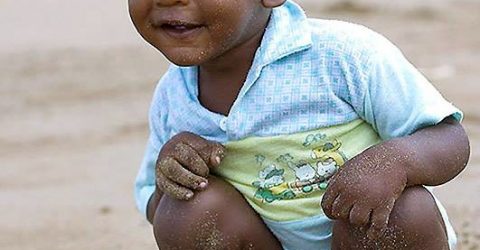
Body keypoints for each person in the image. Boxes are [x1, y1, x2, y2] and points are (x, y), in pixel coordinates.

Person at [129, 0, 470, 249]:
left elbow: (448, 138)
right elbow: (156, 209)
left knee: (405, 211)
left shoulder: (343, 55)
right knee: (185, 211)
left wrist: (394, 162)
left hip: (369, 238)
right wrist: (172, 175)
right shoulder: (174, 95)